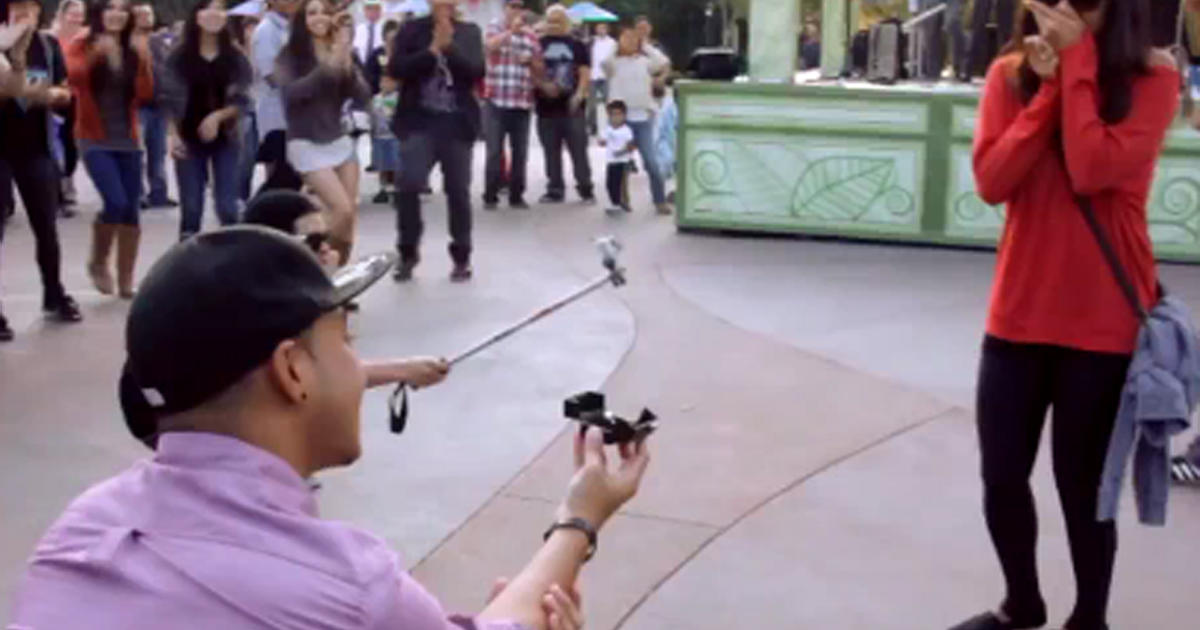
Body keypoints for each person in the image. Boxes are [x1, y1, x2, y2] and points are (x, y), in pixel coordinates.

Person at [9, 225, 649, 630]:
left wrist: (576, 517)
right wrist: (581, 519)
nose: (358, 366)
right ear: (292, 370)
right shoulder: (344, 587)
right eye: (346, 340)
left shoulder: (82, 528)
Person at [952, 1, 1180, 629]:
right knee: (1001, 476)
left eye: (1084, 6)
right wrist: (1052, 88)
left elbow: (1091, 167)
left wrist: (1076, 63)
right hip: (1018, 312)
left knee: (1082, 489)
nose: (1064, 16)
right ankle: (1021, 603)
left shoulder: (1154, 80)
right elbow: (994, 180)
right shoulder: (1009, 76)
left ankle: (1091, 617)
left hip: (1102, 321)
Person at [0, 0, 85, 342]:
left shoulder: (47, 46)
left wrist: (56, 94)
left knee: (46, 225)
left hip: (35, 147)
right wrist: (31, 90)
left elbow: (64, 88)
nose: (23, 17)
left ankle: (54, 292)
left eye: (30, 10)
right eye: (16, 10)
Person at [387, 0, 485, 282]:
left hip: (456, 122)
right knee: (408, 184)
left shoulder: (469, 31)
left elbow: (476, 71)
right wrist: (431, 51)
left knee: (458, 191)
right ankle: (407, 252)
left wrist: (449, 47)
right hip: (419, 120)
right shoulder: (411, 30)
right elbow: (397, 69)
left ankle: (461, 256)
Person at [65, 0, 155, 299]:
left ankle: (126, 278)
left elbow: (145, 93)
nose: (116, 14)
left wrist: (142, 60)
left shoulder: (134, 46)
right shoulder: (84, 42)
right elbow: (74, 78)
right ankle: (98, 261)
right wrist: (98, 55)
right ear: (99, 13)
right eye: (110, 7)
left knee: (131, 208)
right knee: (114, 201)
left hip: (127, 139)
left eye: (122, 9)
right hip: (94, 138)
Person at [276, 0, 370, 266]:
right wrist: (329, 65)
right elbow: (293, 96)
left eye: (326, 12)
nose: (319, 18)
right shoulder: (290, 55)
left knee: (348, 215)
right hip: (305, 141)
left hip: (340, 139)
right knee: (339, 210)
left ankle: (337, 278)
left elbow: (362, 95)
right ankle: (308, 257)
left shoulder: (340, 49)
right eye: (312, 13)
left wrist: (346, 59)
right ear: (302, 20)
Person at [163, 0, 252, 241]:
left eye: (220, 9)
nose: (214, 14)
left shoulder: (235, 56)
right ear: (197, 16)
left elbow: (244, 98)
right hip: (188, 137)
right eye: (207, 8)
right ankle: (188, 267)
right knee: (191, 209)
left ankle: (231, 261)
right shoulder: (178, 57)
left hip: (227, 137)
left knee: (227, 207)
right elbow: (167, 100)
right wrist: (174, 136)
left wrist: (218, 116)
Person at [602, 23, 670, 215]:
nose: (631, 41)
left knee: (651, 161)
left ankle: (659, 199)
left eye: (634, 38)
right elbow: (604, 63)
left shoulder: (645, 61)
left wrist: (644, 45)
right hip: (620, 119)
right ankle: (620, 199)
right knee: (619, 162)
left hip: (643, 118)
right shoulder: (614, 64)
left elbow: (663, 62)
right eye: (626, 38)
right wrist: (617, 46)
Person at [482, 0, 539, 210]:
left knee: (520, 152)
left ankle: (516, 195)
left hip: (521, 102)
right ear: (505, 8)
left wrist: (532, 63)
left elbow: (539, 65)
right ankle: (490, 194)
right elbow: (489, 46)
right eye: (512, 6)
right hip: (496, 99)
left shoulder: (530, 34)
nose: (516, 10)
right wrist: (510, 33)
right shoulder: (494, 27)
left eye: (519, 6)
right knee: (494, 151)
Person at [534, 5, 592, 205]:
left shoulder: (578, 45)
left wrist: (579, 95)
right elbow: (533, 72)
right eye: (550, 20)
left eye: (558, 20)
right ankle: (555, 189)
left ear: (566, 23)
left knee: (578, 151)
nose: (554, 25)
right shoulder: (537, 44)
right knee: (551, 152)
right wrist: (543, 85)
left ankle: (585, 189)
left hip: (572, 107)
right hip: (546, 107)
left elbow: (585, 73)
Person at [251, 0, 304, 194]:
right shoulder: (266, 31)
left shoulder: (296, 27)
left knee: (294, 179)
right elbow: (272, 76)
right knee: (280, 179)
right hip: (278, 119)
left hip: (298, 118)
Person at [131, 1, 177, 210]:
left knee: (158, 151)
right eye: (141, 15)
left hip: (160, 104)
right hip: (138, 104)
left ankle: (159, 193)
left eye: (149, 15)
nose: (147, 18)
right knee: (137, 151)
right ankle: (138, 193)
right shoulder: (129, 42)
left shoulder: (160, 41)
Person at [49, 0, 86, 212]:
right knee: (53, 145)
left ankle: (66, 183)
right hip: (54, 98)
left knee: (71, 146)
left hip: (79, 100)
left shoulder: (86, 38)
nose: (77, 18)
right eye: (73, 14)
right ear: (62, 14)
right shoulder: (50, 37)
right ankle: (58, 192)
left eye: (80, 14)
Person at [365, 17, 401, 203]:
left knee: (398, 151)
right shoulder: (376, 54)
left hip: (400, 108)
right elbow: (367, 77)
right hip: (379, 108)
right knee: (380, 151)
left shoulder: (405, 55)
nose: (392, 43)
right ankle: (383, 186)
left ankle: (398, 185)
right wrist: (379, 87)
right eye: (389, 39)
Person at [229, 12, 261, 204]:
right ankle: (239, 196)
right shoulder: (236, 51)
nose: (252, 32)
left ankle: (244, 195)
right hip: (244, 109)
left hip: (261, 107)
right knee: (245, 155)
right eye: (249, 28)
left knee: (255, 153)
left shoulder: (263, 47)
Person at [599, 99, 633, 214]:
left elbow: (630, 146)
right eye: (613, 114)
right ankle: (615, 202)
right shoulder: (608, 129)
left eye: (619, 114)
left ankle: (618, 203)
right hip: (611, 161)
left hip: (622, 161)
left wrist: (621, 152)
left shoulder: (626, 130)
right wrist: (602, 141)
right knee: (610, 183)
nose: (616, 117)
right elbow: (603, 141)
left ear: (624, 116)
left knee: (619, 183)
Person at [587, 21, 614, 135]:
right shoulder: (592, 41)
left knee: (608, 102)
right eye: (599, 28)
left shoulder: (612, 42)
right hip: (593, 74)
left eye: (603, 28)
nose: (601, 30)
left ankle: (612, 125)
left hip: (606, 75)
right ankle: (592, 126)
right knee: (591, 104)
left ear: (607, 30)